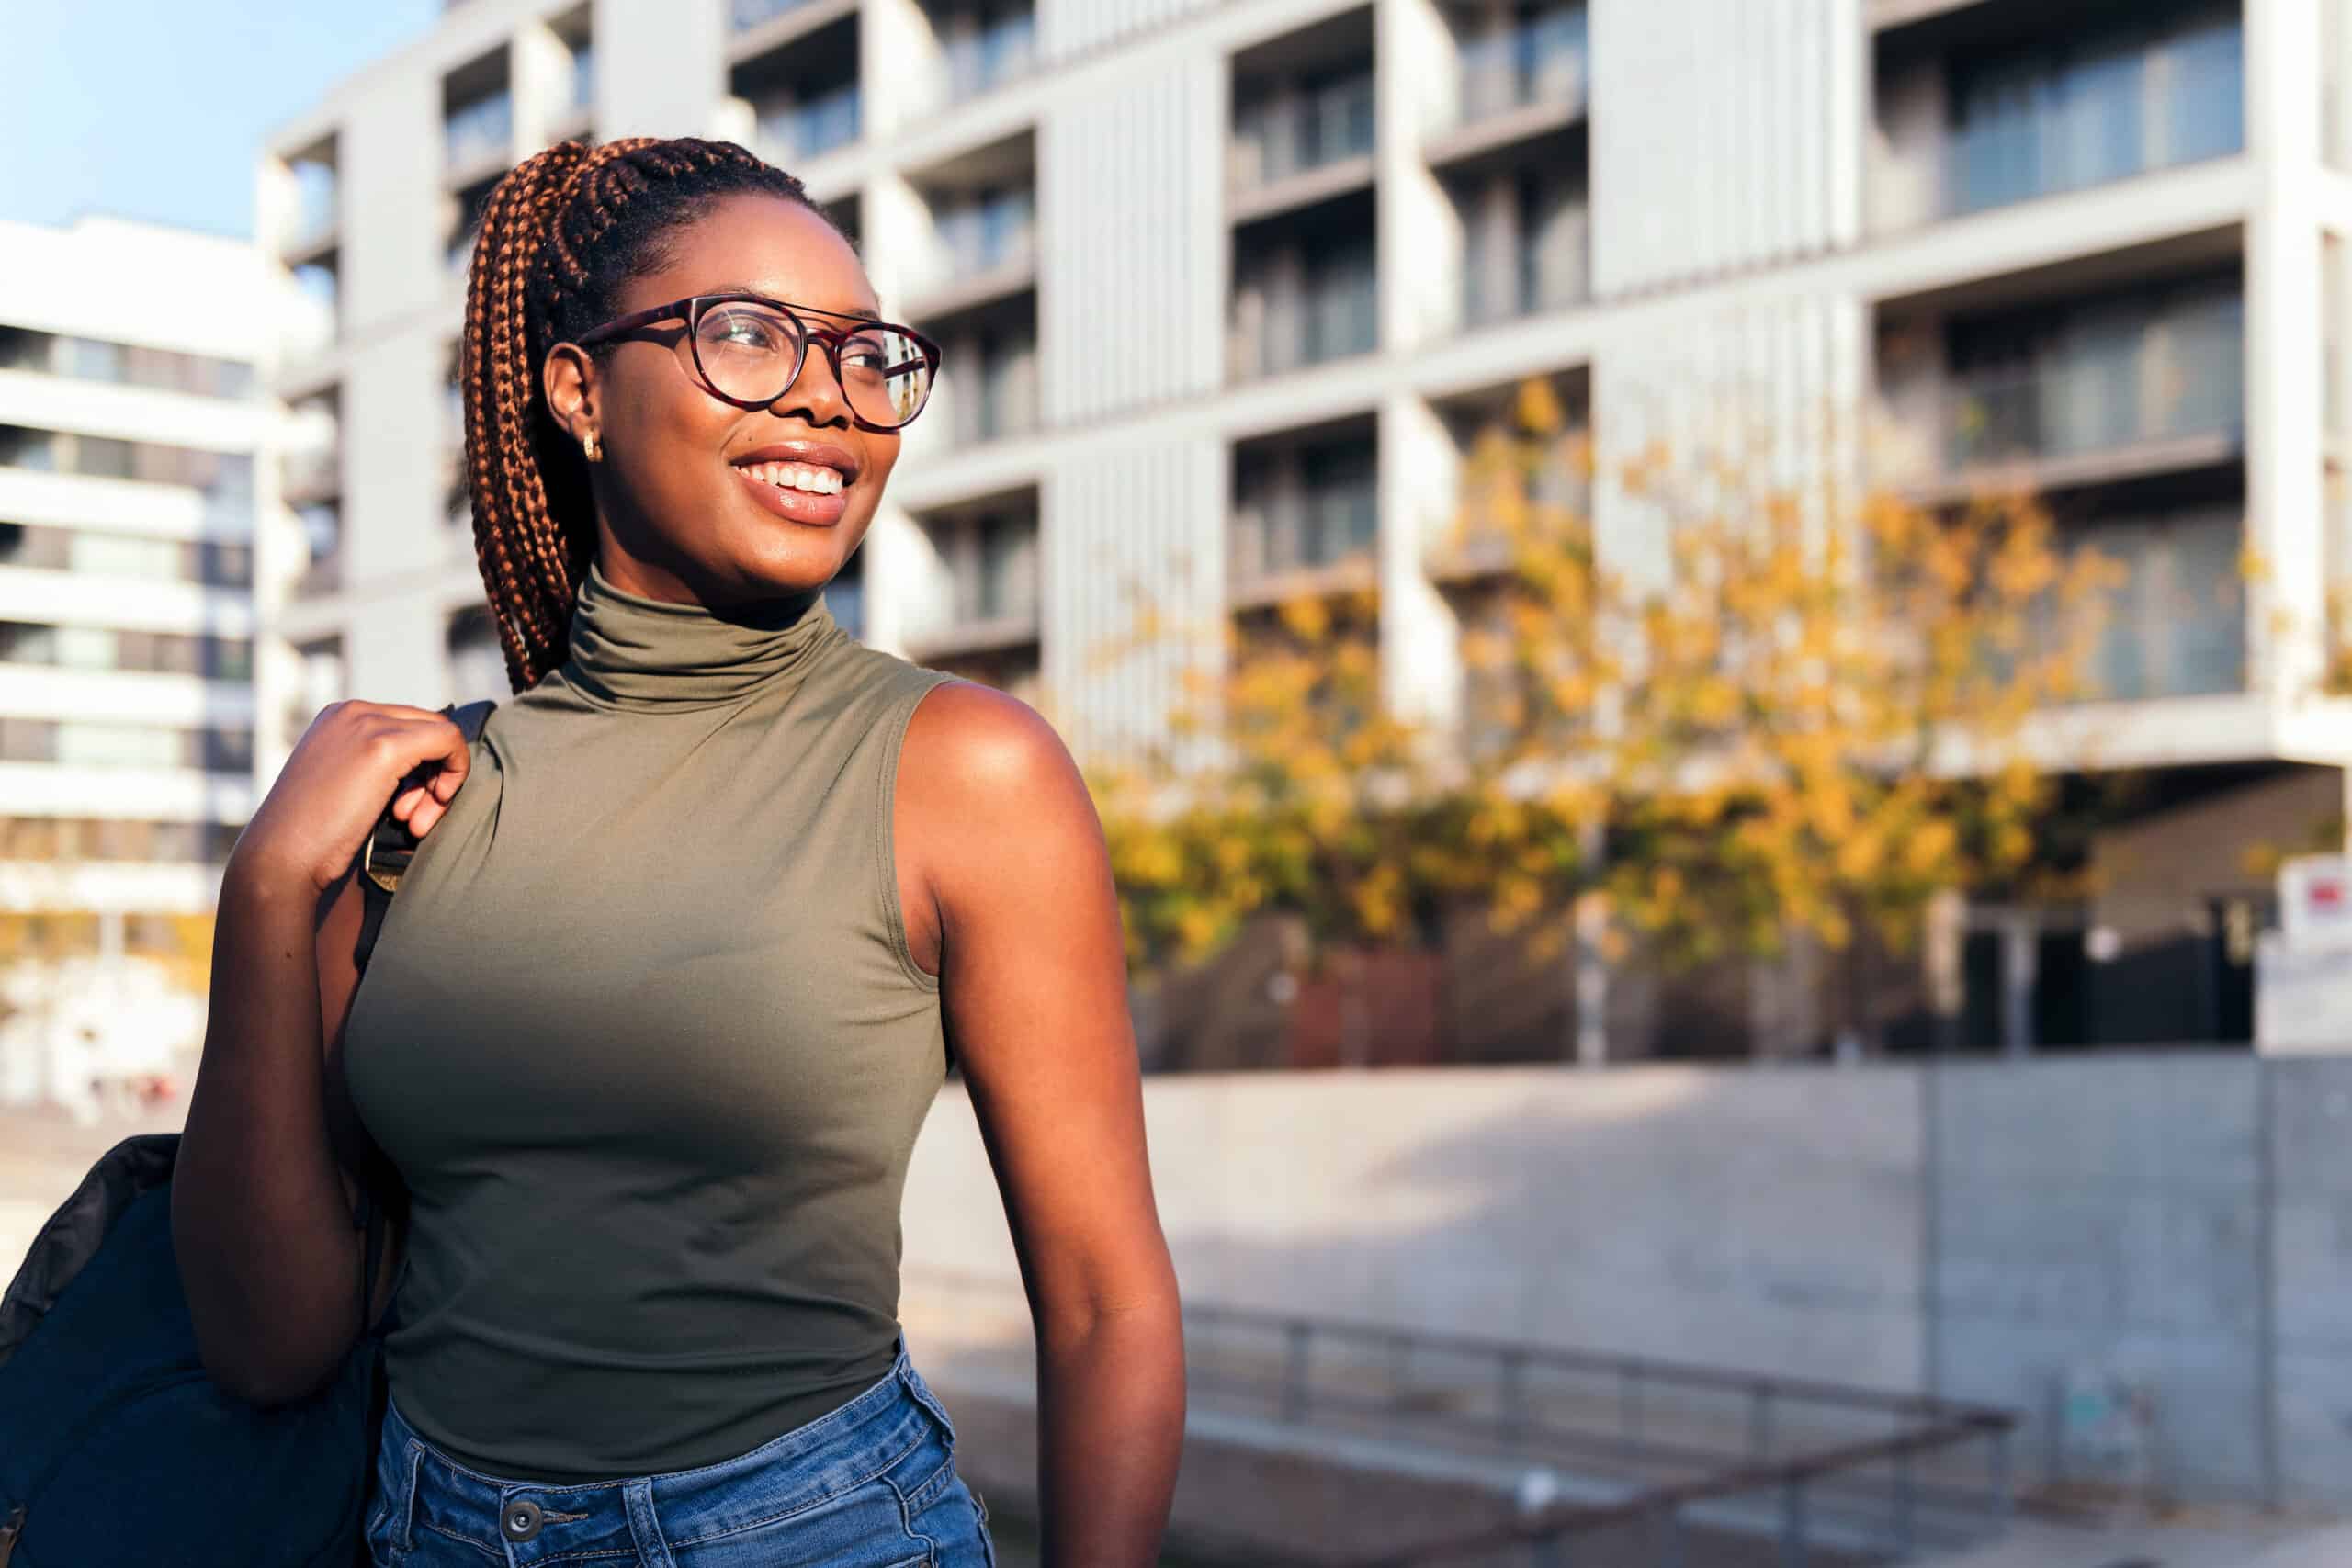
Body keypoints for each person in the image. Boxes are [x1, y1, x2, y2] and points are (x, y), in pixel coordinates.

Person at [170, 136, 1186, 1566]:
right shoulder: (412, 808)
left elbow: (1104, 1301)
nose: (830, 400)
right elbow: (266, 1346)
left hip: (810, 1534)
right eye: (753, 338)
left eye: (863, 356)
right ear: (579, 390)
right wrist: (266, 893)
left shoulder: (963, 772)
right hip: (429, 1534)